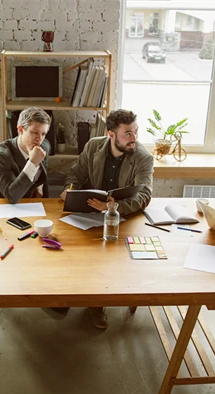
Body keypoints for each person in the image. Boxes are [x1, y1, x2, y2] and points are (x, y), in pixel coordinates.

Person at [60, 109, 154, 329]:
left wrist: (114, 207)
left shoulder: (143, 157)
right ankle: (69, 297)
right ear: (111, 134)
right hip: (91, 211)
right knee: (73, 251)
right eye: (127, 134)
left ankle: (97, 305)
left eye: (136, 132)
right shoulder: (94, 146)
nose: (134, 138)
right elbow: (75, 175)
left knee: (110, 256)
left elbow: (144, 194)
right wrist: (68, 190)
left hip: (124, 217)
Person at [0, 107, 51, 202]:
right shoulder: (0, 156)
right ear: (20, 130)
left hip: (30, 205)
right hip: (1, 206)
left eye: (43, 134)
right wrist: (32, 163)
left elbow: (41, 176)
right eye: (34, 132)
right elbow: (12, 196)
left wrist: (39, 185)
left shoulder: (44, 146)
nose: (40, 139)